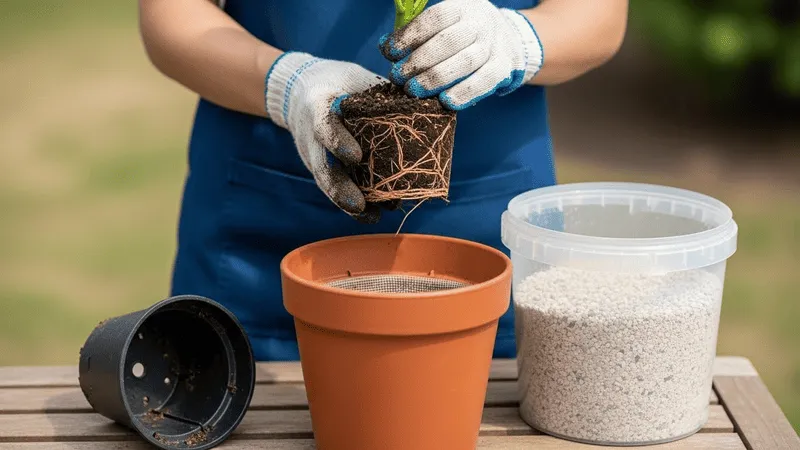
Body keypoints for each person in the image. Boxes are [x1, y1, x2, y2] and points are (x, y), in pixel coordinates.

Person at [138, 0, 629, 361]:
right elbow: (173, 16)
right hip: (264, 241)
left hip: (487, 231)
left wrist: (517, 39)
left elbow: (597, 16)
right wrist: (288, 83)